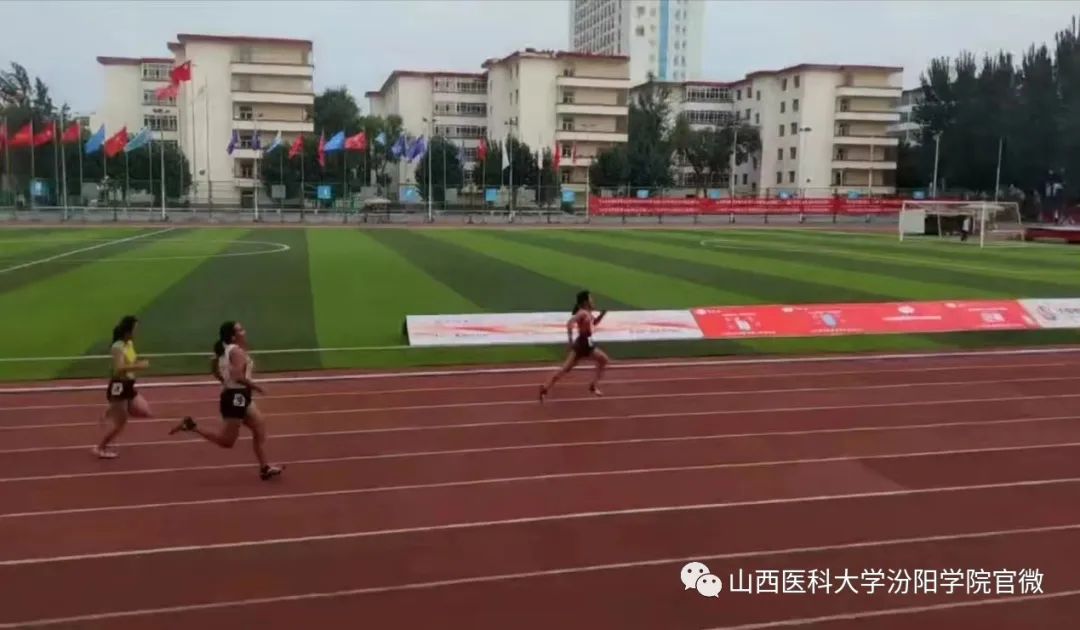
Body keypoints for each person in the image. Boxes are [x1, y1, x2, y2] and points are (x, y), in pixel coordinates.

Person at [169, 321, 282, 480]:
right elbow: (237, 376)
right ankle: (191, 425)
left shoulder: (226, 350)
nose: (244, 331)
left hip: (239, 395)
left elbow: (214, 368)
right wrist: (257, 387)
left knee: (259, 426)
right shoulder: (235, 351)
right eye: (240, 330)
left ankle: (265, 467)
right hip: (236, 397)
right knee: (227, 442)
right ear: (233, 336)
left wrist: (225, 382)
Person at [95, 315, 190, 459]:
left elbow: (130, 361)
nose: (137, 332)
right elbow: (119, 368)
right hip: (119, 386)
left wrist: (135, 366)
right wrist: (139, 366)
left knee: (145, 411)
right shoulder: (117, 347)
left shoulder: (129, 344)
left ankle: (112, 410)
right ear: (127, 331)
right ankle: (100, 448)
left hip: (129, 385)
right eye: (135, 329)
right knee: (121, 424)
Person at [539, 290, 610, 401]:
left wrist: (601, 316)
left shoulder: (588, 313)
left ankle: (593, 385)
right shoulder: (582, 313)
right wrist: (570, 341)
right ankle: (545, 388)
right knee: (565, 369)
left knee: (603, 360)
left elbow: (594, 323)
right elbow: (569, 323)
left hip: (587, 343)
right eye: (590, 298)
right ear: (586, 301)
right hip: (581, 344)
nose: (592, 300)